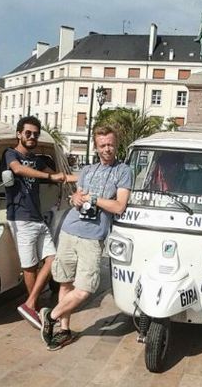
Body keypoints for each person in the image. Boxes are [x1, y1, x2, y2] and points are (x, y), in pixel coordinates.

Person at [40, 125, 132, 351]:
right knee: (65, 282)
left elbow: (119, 206)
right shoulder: (88, 170)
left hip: (93, 237)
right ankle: (64, 330)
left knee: (86, 289)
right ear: (96, 147)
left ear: (116, 143)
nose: (107, 149)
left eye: (110, 144)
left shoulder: (123, 171)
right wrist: (76, 200)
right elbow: (76, 198)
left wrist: (94, 198)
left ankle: (50, 316)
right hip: (70, 230)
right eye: (103, 145)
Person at [4, 116, 67, 329]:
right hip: (20, 218)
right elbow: (18, 170)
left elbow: (58, 176)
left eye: (35, 134)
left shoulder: (37, 159)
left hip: (36, 217)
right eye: (28, 133)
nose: (32, 137)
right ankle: (34, 307)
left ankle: (30, 304)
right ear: (19, 134)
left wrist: (85, 177)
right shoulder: (11, 154)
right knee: (30, 266)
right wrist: (49, 178)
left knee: (53, 258)